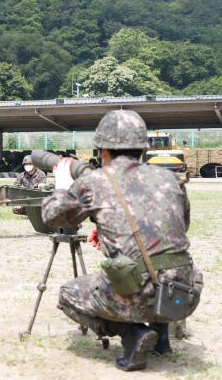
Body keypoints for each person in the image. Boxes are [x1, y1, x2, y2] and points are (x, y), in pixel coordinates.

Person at [41, 110, 203, 371]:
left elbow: (52, 217)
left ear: (102, 150)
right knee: (159, 264)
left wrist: (61, 185)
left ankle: (134, 335)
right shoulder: (170, 178)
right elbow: (181, 227)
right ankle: (161, 336)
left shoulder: (94, 182)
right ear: (142, 148)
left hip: (138, 293)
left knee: (68, 294)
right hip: (185, 291)